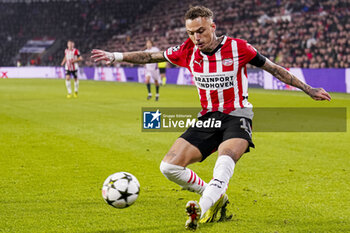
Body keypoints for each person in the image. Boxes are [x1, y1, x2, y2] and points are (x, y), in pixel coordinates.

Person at [91, 6, 331, 230]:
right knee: (168, 167)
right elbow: (150, 56)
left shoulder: (239, 48)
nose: (196, 37)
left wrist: (308, 89)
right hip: (208, 117)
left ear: (213, 27)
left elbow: (274, 69)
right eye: (191, 32)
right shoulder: (187, 50)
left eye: (201, 31)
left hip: (238, 115)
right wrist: (116, 56)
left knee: (224, 160)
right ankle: (216, 196)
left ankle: (200, 210)